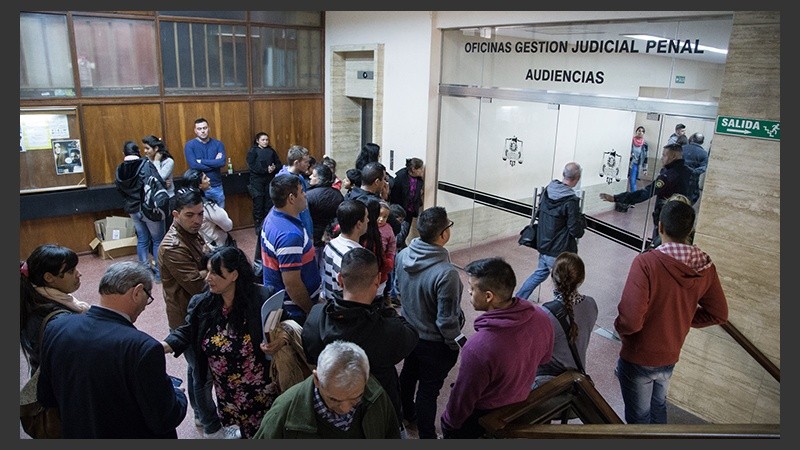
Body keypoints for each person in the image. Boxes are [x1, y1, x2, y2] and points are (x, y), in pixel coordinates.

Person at [36, 261, 187, 438]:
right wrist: (177, 395)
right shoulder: (142, 347)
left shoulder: (56, 327)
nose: (147, 304)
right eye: (148, 297)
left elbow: (45, 396)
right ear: (137, 292)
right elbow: (165, 418)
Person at [615, 199, 728, 424]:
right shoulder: (705, 266)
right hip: (671, 353)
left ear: (660, 227)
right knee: (658, 408)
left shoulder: (646, 263)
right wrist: (682, 319)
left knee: (639, 419)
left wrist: (620, 328)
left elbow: (632, 321)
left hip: (639, 355)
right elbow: (719, 313)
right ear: (690, 230)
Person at [163, 246, 279, 438]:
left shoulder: (261, 298)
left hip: (259, 392)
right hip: (226, 395)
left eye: (216, 273)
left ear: (234, 275)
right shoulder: (203, 303)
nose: (208, 277)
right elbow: (187, 330)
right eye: (208, 271)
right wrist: (162, 347)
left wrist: (279, 341)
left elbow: (284, 326)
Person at [302, 248, 419, 436]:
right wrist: (385, 310)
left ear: (340, 279)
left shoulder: (315, 317)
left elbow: (310, 355)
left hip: (330, 411)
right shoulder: (389, 330)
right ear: (377, 280)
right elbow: (412, 334)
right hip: (380, 412)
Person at [441, 257, 554, 439]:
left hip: (482, 418)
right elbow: (544, 359)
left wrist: (449, 423)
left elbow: (463, 399)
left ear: (488, 296)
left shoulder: (479, 348)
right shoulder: (541, 318)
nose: (468, 291)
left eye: (471, 288)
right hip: (520, 406)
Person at [394, 206, 465, 439]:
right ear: (443, 234)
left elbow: (397, 290)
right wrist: (457, 343)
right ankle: (427, 435)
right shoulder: (447, 273)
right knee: (428, 392)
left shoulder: (402, 255)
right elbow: (446, 321)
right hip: (435, 344)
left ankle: (405, 414)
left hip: (408, 333)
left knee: (408, 375)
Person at [158, 188, 223, 437]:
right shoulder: (173, 246)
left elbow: (208, 257)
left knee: (195, 367)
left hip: (197, 313)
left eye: (200, 213)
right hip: (186, 318)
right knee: (203, 374)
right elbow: (200, 284)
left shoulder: (191, 233)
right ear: (175, 215)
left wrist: (207, 266)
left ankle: (198, 412)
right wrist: (213, 269)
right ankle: (209, 424)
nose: (197, 220)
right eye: (190, 215)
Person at [253, 340, 401, 439]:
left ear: (366, 380)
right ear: (317, 379)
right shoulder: (284, 412)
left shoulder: (376, 396)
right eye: (334, 399)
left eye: (356, 397)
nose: (345, 409)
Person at [516, 162, 586, 301]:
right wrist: (581, 226)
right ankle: (558, 311)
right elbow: (574, 230)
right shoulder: (570, 201)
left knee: (539, 274)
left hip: (544, 245)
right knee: (563, 284)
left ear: (563, 175)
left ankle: (518, 299)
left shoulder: (548, 190)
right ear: (577, 178)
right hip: (559, 251)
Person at [599, 143, 692, 247]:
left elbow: (646, 193)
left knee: (659, 248)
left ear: (673, 156)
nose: (662, 158)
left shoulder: (668, 176)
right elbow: (694, 195)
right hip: (684, 221)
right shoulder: (689, 172)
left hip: (667, 220)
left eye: (664, 155)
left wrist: (617, 198)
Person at [260, 173, 321, 325]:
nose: (305, 194)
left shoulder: (274, 214)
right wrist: (309, 310)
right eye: (301, 191)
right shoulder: (289, 235)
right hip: (295, 309)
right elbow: (292, 284)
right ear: (291, 198)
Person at [532, 252, 598, 388]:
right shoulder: (591, 304)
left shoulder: (546, 314)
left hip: (548, 381)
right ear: (581, 279)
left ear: (552, 276)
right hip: (575, 378)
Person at [20, 244, 89, 374]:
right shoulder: (57, 319)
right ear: (49, 278)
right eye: (70, 271)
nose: (79, 274)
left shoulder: (33, 298)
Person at [115, 140, 165, 282]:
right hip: (148, 209)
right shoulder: (145, 165)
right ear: (138, 152)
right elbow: (157, 182)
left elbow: (119, 188)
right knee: (157, 240)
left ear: (123, 153)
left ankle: (144, 274)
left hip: (132, 209)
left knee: (142, 240)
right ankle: (159, 275)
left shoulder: (120, 169)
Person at [346, 161, 390, 296]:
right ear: (377, 181)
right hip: (371, 256)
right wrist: (384, 199)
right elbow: (395, 227)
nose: (385, 183)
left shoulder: (349, 195)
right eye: (383, 180)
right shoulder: (374, 204)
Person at [321, 199, 369, 302]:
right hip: (345, 310)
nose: (368, 221)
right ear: (359, 224)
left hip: (331, 304)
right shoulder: (355, 257)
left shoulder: (330, 245)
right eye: (366, 218)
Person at [181, 168, 234, 251]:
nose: (209, 179)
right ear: (199, 185)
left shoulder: (183, 203)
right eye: (205, 178)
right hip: (216, 247)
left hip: (197, 246)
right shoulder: (206, 206)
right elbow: (228, 225)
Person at [246, 131, 281, 246]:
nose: (265, 142)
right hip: (257, 182)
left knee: (269, 203)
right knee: (258, 204)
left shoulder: (271, 151)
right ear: (257, 141)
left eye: (267, 140)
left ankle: (268, 224)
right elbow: (252, 166)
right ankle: (258, 226)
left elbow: (278, 164)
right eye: (263, 140)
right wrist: (265, 170)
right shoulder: (253, 151)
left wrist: (274, 168)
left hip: (269, 180)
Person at [307, 162, 344, 268]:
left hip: (314, 237)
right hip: (332, 237)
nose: (310, 177)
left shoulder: (309, 196)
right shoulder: (338, 195)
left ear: (320, 179)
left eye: (313, 175)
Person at [184, 117, 227, 208]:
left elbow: (222, 162)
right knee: (201, 219)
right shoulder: (190, 145)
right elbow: (194, 165)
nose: (202, 131)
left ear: (209, 129)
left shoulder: (218, 144)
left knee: (221, 218)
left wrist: (201, 161)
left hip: (216, 186)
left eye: (205, 128)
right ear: (195, 131)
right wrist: (215, 163)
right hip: (199, 188)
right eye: (199, 129)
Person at [277, 144, 314, 239]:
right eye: (306, 162)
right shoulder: (285, 181)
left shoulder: (299, 176)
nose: (308, 164)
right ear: (297, 163)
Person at [142, 135, 176, 231]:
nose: (145, 151)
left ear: (156, 148)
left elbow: (158, 178)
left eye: (147, 148)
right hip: (151, 201)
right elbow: (146, 179)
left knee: (168, 229)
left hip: (168, 199)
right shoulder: (146, 161)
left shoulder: (169, 161)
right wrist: (162, 183)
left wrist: (156, 161)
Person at [389, 157, 424, 248]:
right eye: (420, 169)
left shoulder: (419, 180)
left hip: (410, 210)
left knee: (405, 232)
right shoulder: (401, 177)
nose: (422, 171)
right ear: (413, 169)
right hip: (400, 209)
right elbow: (395, 194)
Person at [376, 200, 397, 305]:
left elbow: (392, 244)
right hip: (373, 261)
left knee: (386, 280)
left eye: (385, 217)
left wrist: (390, 257)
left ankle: (387, 297)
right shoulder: (369, 227)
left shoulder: (388, 228)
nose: (381, 219)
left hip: (384, 261)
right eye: (379, 215)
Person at [682, 132, 709, 204]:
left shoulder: (682, 148)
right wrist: (693, 171)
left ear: (692, 139)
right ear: (702, 142)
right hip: (692, 179)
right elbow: (703, 168)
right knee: (689, 199)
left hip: (679, 176)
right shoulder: (703, 153)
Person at [628, 126, 649, 193]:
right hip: (631, 163)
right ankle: (633, 195)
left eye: (642, 131)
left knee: (634, 180)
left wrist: (645, 169)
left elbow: (646, 157)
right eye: (639, 130)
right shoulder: (630, 141)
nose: (640, 132)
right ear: (636, 131)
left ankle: (632, 196)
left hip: (638, 164)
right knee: (632, 180)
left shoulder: (645, 145)